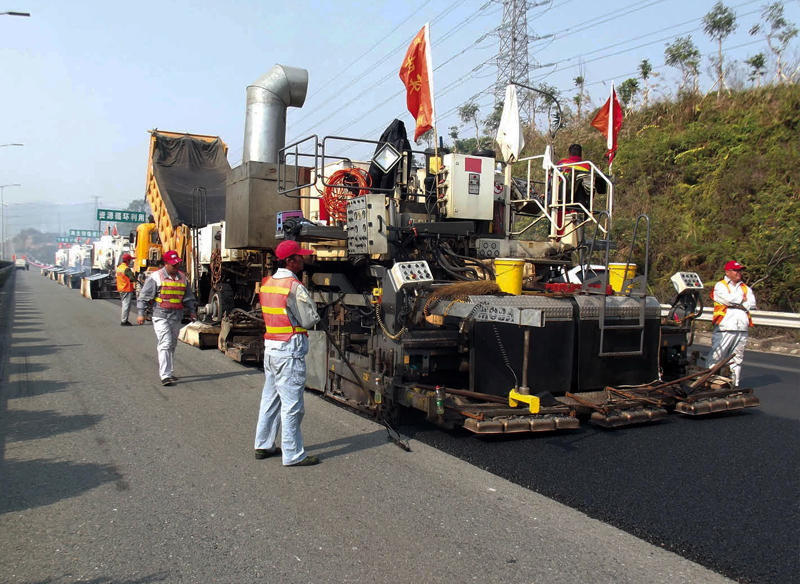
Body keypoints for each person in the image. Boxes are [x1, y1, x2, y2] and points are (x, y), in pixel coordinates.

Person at [254, 240, 321, 467]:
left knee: (270, 400)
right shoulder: (294, 286)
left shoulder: (268, 283)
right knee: (292, 406)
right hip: (289, 352)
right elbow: (309, 319)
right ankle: (293, 454)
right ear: (290, 261)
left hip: (271, 349)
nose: (303, 259)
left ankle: (263, 445)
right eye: (299, 256)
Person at [136, 250, 197, 386]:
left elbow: (188, 297)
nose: (176, 267)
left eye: (177, 264)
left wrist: (192, 311)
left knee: (172, 345)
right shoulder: (155, 277)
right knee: (165, 343)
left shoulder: (182, 277)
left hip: (176, 316)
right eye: (173, 265)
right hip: (160, 315)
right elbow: (144, 297)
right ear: (166, 264)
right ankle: (165, 375)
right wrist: (141, 313)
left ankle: (169, 372)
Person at [706, 260, 756, 387]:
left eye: (740, 270)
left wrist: (739, 302)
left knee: (737, 359)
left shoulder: (745, 288)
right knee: (717, 356)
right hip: (725, 327)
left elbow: (752, 304)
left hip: (742, 329)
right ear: (727, 272)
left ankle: (733, 385)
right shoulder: (720, 286)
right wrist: (742, 302)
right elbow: (728, 300)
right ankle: (708, 382)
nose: (739, 273)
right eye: (735, 270)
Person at [117, 253, 136, 326]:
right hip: (126, 289)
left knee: (124, 304)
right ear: (127, 261)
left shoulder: (119, 267)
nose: (131, 261)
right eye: (130, 260)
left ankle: (124, 319)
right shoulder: (126, 269)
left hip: (121, 288)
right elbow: (132, 278)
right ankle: (124, 321)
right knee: (126, 305)